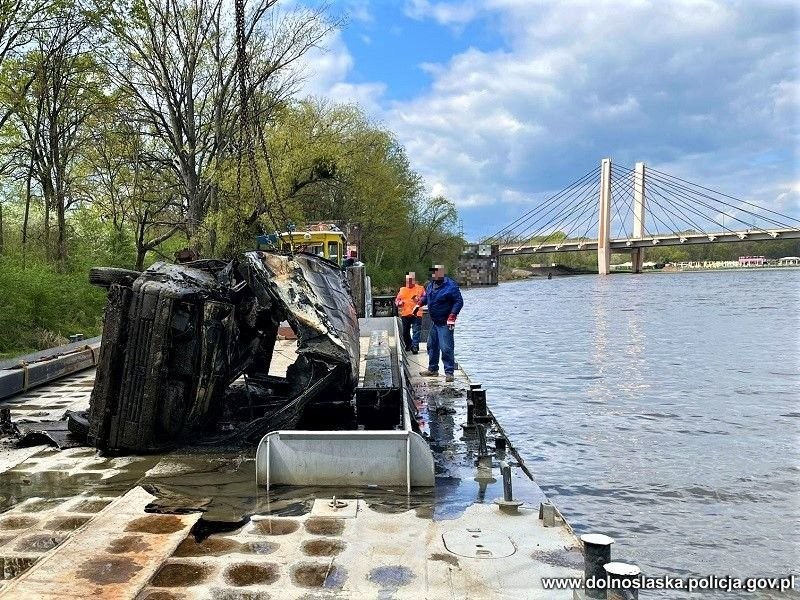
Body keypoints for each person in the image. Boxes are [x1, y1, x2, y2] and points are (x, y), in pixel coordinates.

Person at [413, 264, 463, 382]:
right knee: (431, 345)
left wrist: (452, 315)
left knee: (446, 348)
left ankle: (449, 372)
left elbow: (459, 302)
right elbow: (427, 298)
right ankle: (433, 369)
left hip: (446, 322)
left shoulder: (451, 286)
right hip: (435, 322)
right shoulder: (431, 285)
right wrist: (418, 304)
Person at [395, 272, 425, 354]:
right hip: (405, 314)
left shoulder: (420, 289)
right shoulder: (402, 290)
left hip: (416, 313)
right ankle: (408, 344)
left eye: (411, 280)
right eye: (407, 280)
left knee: (416, 330)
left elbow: (426, 298)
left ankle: (415, 346)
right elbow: (397, 300)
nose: (409, 281)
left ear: (414, 280)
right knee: (405, 332)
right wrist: (399, 303)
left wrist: (420, 300)